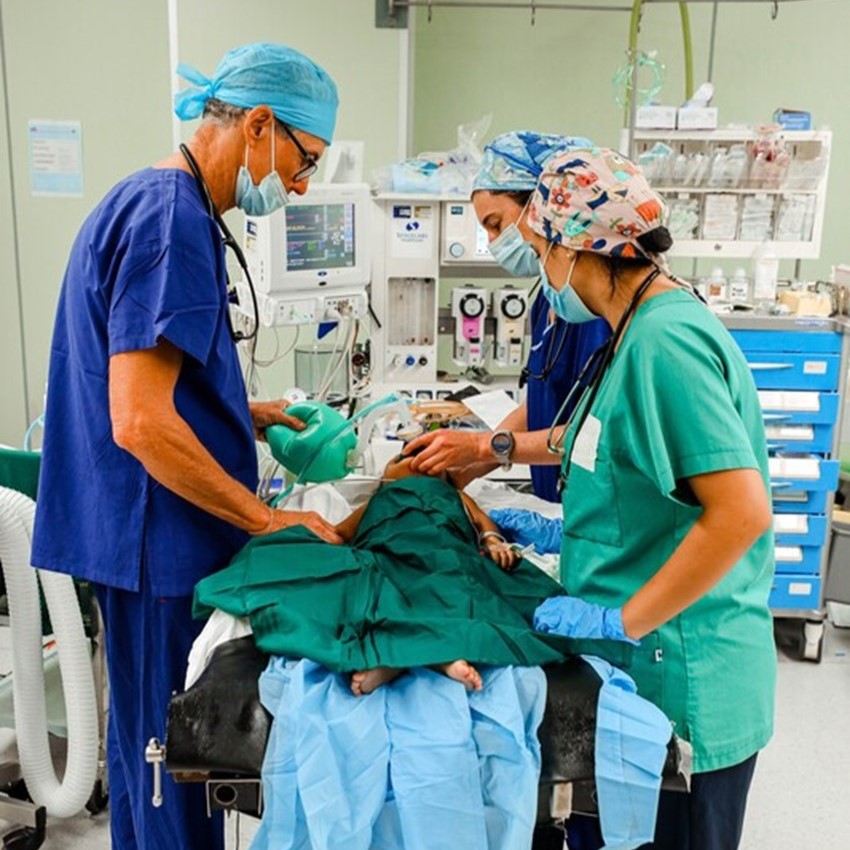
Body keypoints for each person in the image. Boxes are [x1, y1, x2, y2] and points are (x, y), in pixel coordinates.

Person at [31, 43, 343, 850]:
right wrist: (267, 521)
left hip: (149, 541)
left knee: (152, 753)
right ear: (261, 124)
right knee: (172, 767)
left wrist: (245, 411)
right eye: (305, 160)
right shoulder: (170, 220)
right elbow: (139, 421)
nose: (301, 186)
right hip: (156, 548)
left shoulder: (162, 204)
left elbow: (160, 378)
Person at [447, 145, 776, 850]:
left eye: (541, 249)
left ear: (576, 248)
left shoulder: (667, 342)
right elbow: (611, 449)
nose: (542, 269)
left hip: (681, 674)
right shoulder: (631, 333)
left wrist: (623, 618)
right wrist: (556, 526)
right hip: (639, 670)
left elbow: (742, 512)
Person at [193, 448, 571, 696]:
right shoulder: (382, 496)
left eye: (427, 457)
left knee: (456, 584)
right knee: (384, 588)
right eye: (406, 455)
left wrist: (493, 540)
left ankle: (412, 656)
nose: (417, 461)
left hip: (445, 548)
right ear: (386, 473)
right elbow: (338, 535)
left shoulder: (455, 495)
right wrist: (293, 531)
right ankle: (426, 655)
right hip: (391, 549)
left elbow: (482, 522)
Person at [412, 131, 611, 501]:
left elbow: (600, 436)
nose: (493, 242)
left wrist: (483, 446)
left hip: (593, 506)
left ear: (542, 206)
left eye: (495, 224)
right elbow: (541, 403)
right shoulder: (550, 298)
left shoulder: (596, 312)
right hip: (556, 501)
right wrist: (466, 469)